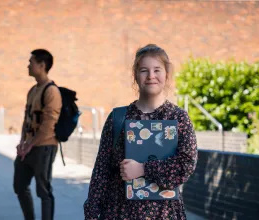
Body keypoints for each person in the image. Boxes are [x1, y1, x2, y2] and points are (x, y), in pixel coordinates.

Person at [84, 44, 198, 219]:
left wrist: (143, 169)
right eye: (144, 70)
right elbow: (101, 170)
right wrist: (91, 213)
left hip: (164, 213)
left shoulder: (178, 118)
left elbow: (186, 164)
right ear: (136, 75)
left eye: (157, 70)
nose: (151, 76)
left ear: (166, 74)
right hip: (119, 212)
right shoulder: (118, 118)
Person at [14, 49, 62, 220]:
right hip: (28, 146)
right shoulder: (33, 90)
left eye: (31, 62)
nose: (28, 65)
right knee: (19, 186)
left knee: (43, 190)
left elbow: (49, 125)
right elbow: (26, 119)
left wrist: (30, 145)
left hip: (44, 147)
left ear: (42, 66)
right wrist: (22, 142)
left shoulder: (52, 91)